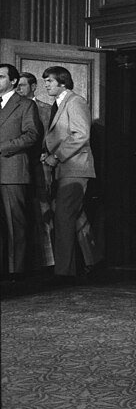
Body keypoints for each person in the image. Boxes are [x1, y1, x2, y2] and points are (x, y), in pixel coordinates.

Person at [41, 66, 102, 282]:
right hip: (66, 168)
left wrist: (55, 156)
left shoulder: (75, 101)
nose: (46, 84)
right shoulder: (59, 104)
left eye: (49, 81)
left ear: (63, 83)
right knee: (75, 216)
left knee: (64, 216)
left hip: (74, 167)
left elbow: (81, 134)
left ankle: (64, 272)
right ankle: (93, 262)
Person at [0, 63, 43, 278]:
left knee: (16, 225)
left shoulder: (25, 105)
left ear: (13, 81)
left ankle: (16, 274)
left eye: (0, 77)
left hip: (12, 171)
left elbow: (32, 135)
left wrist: (3, 147)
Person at [15, 72, 56, 271]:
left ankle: (47, 262)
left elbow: (54, 135)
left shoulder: (46, 110)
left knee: (44, 211)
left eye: (23, 85)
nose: (19, 89)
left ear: (33, 87)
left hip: (41, 167)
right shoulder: (12, 108)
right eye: (17, 85)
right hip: (18, 167)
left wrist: (47, 154)